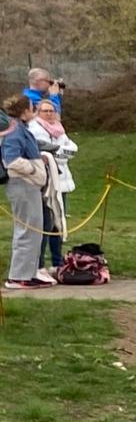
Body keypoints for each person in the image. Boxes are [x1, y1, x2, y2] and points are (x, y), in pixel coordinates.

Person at [2, 95, 52, 290]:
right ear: (24, 111)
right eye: (33, 107)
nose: (35, 110)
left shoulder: (21, 129)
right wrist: (33, 169)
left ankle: (29, 273)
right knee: (27, 230)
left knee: (34, 230)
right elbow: (11, 160)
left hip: (29, 185)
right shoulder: (14, 131)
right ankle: (18, 277)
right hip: (22, 184)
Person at [31, 97, 76, 274]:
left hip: (63, 180)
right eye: (45, 111)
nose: (49, 114)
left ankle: (57, 262)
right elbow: (47, 154)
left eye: (52, 111)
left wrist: (59, 152)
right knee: (45, 223)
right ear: (38, 113)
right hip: (46, 181)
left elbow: (72, 149)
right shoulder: (35, 129)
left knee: (59, 222)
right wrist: (60, 153)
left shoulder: (59, 129)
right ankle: (39, 263)